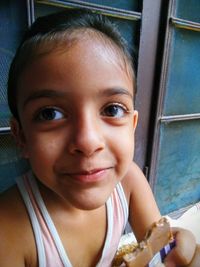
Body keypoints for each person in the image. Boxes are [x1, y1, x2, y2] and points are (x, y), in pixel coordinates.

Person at [0, 9, 199, 267]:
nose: (88, 141)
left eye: (112, 109)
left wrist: (175, 252)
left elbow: (158, 248)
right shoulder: (9, 230)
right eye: (50, 113)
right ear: (22, 136)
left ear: (132, 125)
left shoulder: (129, 182)